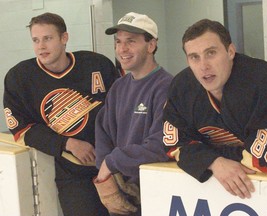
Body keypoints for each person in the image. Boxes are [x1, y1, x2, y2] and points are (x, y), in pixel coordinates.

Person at [3, 12, 120, 216]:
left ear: (64, 38)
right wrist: (68, 143)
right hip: (73, 174)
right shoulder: (19, 78)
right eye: (36, 40)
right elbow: (21, 130)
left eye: (47, 38)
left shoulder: (97, 64)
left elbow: (122, 110)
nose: (41, 46)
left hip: (114, 164)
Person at [163, 18, 267, 200]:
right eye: (194, 57)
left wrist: (204, 154)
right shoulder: (182, 87)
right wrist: (215, 162)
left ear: (230, 51)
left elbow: (266, 160)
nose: (203, 66)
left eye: (211, 53)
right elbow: (175, 144)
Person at [93, 12, 173, 215]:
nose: (122, 49)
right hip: (122, 194)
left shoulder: (166, 87)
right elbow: (103, 133)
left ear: (151, 45)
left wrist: (113, 163)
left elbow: (161, 145)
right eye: (118, 42)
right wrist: (106, 173)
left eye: (131, 41)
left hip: (155, 195)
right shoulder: (118, 87)